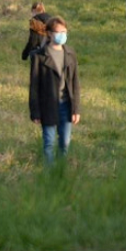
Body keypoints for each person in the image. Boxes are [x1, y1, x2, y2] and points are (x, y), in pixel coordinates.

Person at [29, 16, 81, 163]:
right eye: (59, 32)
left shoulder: (70, 54)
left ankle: (61, 170)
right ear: (50, 34)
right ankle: (50, 175)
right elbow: (34, 86)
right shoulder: (39, 57)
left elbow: (75, 82)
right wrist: (35, 112)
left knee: (65, 142)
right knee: (49, 143)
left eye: (64, 31)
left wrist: (76, 109)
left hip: (66, 105)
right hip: (48, 106)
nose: (62, 35)